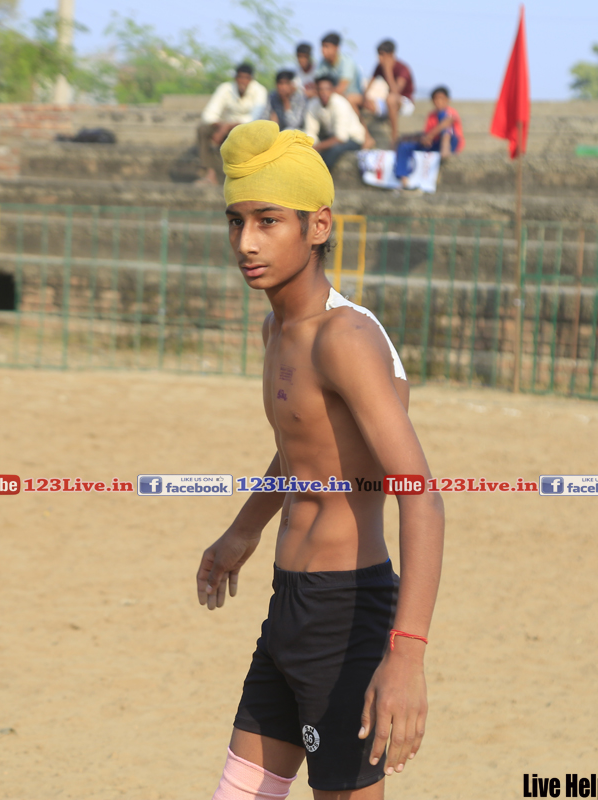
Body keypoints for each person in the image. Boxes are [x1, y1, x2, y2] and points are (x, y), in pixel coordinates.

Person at [199, 118, 444, 799]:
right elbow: (304, 452)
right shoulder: (277, 327)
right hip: (289, 605)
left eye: (268, 221)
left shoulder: (346, 338)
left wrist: (406, 655)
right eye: (236, 222)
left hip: (346, 617)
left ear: (319, 226)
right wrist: (244, 530)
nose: (246, 243)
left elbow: (422, 497)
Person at [196, 63, 269, 185]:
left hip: (246, 129)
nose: (243, 81)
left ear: (251, 79)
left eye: (246, 78)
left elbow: (254, 117)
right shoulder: (225, 88)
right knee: (203, 129)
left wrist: (228, 126)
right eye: (240, 77)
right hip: (223, 126)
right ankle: (210, 174)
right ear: (235, 78)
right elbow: (208, 113)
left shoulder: (260, 91)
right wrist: (220, 126)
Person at [394, 86, 465, 186]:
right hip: (434, 144)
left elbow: (447, 123)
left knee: (445, 123)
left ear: (448, 100)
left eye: (442, 98)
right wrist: (426, 138)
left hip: (450, 142)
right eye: (436, 99)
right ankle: (403, 179)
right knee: (404, 147)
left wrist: (430, 135)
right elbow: (427, 134)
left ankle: (445, 146)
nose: (439, 101)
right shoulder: (431, 115)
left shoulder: (451, 112)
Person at [305, 75, 370, 170]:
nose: (324, 93)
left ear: (332, 90)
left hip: (353, 138)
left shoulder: (340, 104)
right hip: (332, 136)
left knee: (332, 152)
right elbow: (310, 132)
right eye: (320, 89)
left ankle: (323, 174)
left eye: (327, 89)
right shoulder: (313, 104)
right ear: (316, 91)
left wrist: (316, 148)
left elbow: (341, 138)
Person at [365, 40, 415, 145]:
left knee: (391, 98)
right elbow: (368, 88)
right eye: (379, 54)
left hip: (405, 102)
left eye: (382, 54)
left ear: (391, 54)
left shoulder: (403, 68)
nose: (379, 58)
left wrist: (388, 71)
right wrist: (365, 99)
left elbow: (396, 92)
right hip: (387, 101)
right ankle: (366, 136)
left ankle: (394, 136)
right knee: (356, 99)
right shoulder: (379, 67)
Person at [316, 32, 363, 112]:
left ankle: (359, 120)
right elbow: (317, 84)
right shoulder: (322, 63)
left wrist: (323, 92)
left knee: (346, 99)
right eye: (322, 46)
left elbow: (341, 88)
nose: (323, 50)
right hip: (333, 94)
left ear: (336, 48)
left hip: (353, 95)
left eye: (326, 46)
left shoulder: (347, 62)